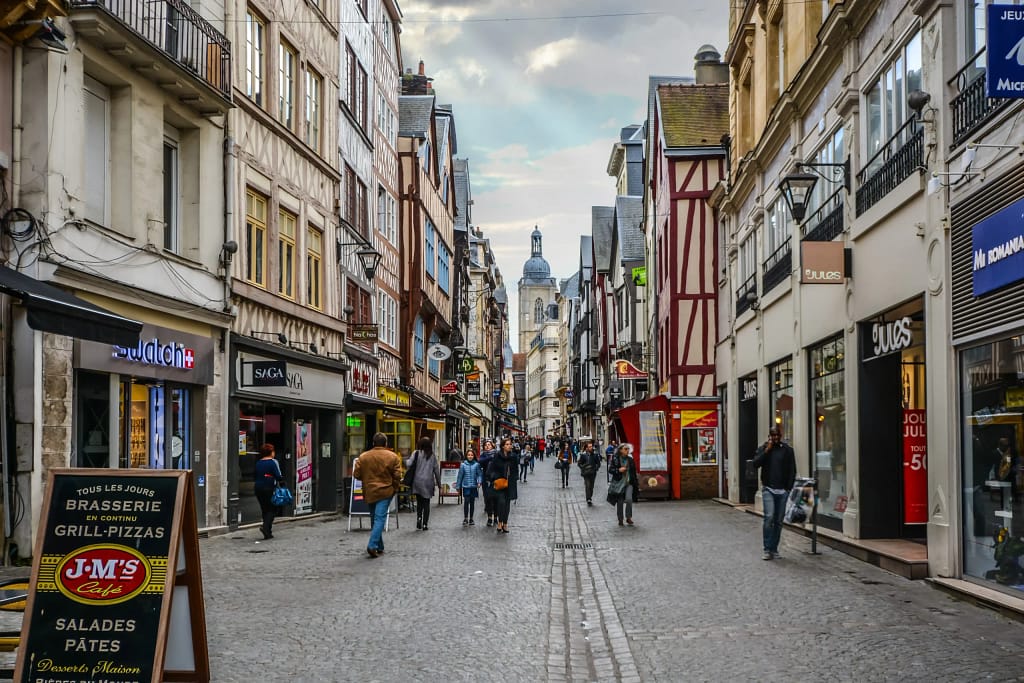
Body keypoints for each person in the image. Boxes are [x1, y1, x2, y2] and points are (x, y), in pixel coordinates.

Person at [352, 432, 402, 558]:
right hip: (385, 491)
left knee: (375, 518)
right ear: (385, 444)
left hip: (369, 491)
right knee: (380, 519)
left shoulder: (363, 457)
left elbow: (356, 474)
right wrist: (394, 488)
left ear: (373, 443)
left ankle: (379, 546)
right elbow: (397, 476)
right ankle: (372, 545)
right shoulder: (393, 457)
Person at [751, 427, 797, 560]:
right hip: (768, 489)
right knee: (769, 517)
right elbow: (755, 464)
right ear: (769, 436)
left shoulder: (787, 450)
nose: (776, 437)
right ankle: (766, 549)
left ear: (781, 435)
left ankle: (774, 548)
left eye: (777, 435)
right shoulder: (764, 448)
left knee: (778, 521)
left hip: (782, 490)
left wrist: (788, 488)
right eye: (773, 435)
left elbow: (792, 470)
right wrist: (767, 450)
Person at [406, 436, 442, 531]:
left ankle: (419, 518)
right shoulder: (432, 456)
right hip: (428, 482)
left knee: (419, 503)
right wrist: (439, 484)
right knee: (426, 504)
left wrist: (404, 459)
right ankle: (425, 524)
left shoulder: (416, 453)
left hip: (417, 482)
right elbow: (436, 471)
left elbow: (408, 464)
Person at [253, 444, 285, 540]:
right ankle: (266, 527)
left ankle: (268, 531)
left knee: (264, 508)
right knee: (273, 508)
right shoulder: (272, 463)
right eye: (273, 451)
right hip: (269, 487)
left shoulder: (258, 463)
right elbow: (278, 476)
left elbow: (254, 476)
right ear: (271, 452)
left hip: (258, 488)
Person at [487, 437, 518, 534]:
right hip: (500, 483)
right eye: (507, 444)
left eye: (510, 444)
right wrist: (494, 478)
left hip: (510, 483)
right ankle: (500, 522)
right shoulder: (497, 456)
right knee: (501, 503)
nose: (509, 446)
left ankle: (505, 523)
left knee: (507, 505)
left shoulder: (513, 456)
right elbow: (492, 468)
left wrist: (514, 477)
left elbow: (516, 469)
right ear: (503, 446)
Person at [610, 443, 639, 526]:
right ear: (620, 450)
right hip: (619, 483)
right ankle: (620, 519)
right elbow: (611, 469)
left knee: (629, 499)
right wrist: (618, 470)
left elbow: (633, 472)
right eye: (625, 449)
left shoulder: (630, 459)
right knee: (620, 502)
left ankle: (628, 517)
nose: (627, 450)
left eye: (628, 449)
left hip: (629, 482)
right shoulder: (615, 459)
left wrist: (635, 482)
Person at [456, 447, 482, 525]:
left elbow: (479, 475)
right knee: (466, 502)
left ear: (474, 456)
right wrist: (458, 486)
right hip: (466, 486)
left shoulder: (477, 465)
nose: (470, 456)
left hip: (473, 487)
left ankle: (471, 518)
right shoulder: (463, 465)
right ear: (466, 456)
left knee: (472, 502)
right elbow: (460, 476)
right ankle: (465, 518)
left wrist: (479, 482)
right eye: (468, 455)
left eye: (471, 455)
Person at [479, 439, 499, 526]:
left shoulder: (497, 455)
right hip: (486, 480)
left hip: (495, 480)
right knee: (487, 498)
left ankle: (495, 517)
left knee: (496, 499)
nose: (487, 446)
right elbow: (480, 462)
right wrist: (490, 458)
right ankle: (489, 517)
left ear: (492, 446)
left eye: (489, 445)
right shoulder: (483, 455)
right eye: (486, 445)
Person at [577, 440, 602, 505]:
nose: (591, 448)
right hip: (586, 473)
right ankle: (588, 499)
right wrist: (583, 468)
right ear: (587, 448)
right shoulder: (583, 455)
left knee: (591, 486)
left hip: (593, 473)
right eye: (589, 447)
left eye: (591, 446)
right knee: (587, 485)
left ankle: (590, 496)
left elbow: (598, 464)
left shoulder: (595, 455)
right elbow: (579, 463)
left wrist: (596, 468)